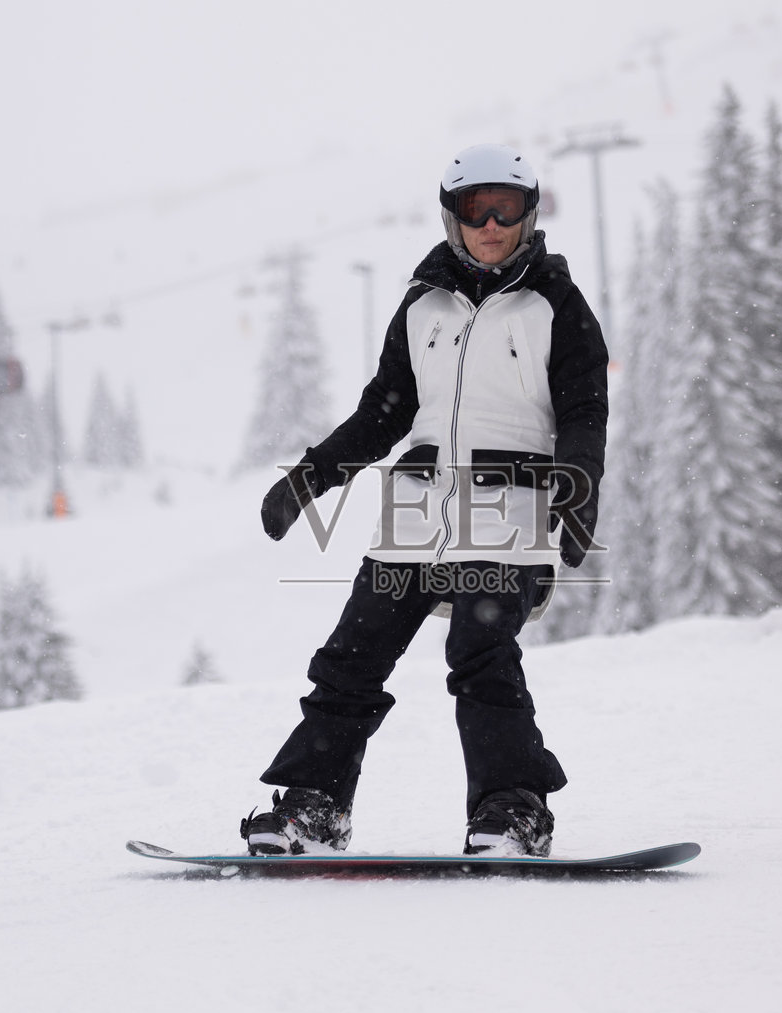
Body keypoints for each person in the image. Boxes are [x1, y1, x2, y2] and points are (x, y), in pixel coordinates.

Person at [241, 143, 609, 857]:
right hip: (415, 513)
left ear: (529, 215)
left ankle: (512, 809)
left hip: (509, 511)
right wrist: (311, 478)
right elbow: (383, 411)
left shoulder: (556, 305)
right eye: (478, 208)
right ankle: (314, 808)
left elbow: (585, 411)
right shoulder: (423, 303)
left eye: (507, 207)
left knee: (480, 654)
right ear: (454, 217)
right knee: (351, 655)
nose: (493, 222)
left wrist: (579, 486)